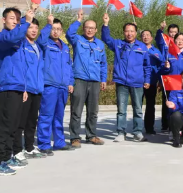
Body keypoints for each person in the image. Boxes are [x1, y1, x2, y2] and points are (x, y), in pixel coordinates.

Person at [0, 6, 35, 176]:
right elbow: (13, 36)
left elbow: (21, 67)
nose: (15, 21)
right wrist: (26, 22)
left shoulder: (18, 41)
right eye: (12, 18)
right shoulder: (1, 38)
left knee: (13, 126)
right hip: (6, 87)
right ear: (4, 20)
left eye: (17, 19)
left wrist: (24, 88)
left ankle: (7, 158)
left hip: (17, 87)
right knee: (3, 126)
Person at [101, 14, 150, 142]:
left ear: (136, 33)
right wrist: (105, 24)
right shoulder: (118, 44)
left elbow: (147, 66)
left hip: (137, 82)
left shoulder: (142, 47)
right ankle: (120, 132)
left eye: (132, 31)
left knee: (138, 109)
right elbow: (106, 38)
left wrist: (147, 80)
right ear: (124, 32)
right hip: (121, 82)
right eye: (127, 31)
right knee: (121, 109)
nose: (129, 34)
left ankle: (137, 132)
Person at [66, 10, 107, 148]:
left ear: (96, 30)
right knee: (76, 111)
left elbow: (103, 64)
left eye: (92, 28)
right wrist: (78, 20)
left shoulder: (100, 44)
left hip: (95, 81)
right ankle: (75, 137)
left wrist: (103, 79)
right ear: (83, 29)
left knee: (93, 111)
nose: (89, 30)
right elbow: (69, 34)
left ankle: (91, 136)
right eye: (87, 27)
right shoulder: (77, 40)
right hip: (79, 79)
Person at [37, 15, 75, 154]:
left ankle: (59, 142)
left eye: (58, 29)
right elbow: (40, 40)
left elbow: (69, 66)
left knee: (59, 116)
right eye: (53, 28)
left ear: (62, 31)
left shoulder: (64, 47)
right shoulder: (45, 44)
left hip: (62, 86)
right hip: (50, 85)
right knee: (46, 115)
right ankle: (44, 144)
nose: (55, 31)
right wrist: (48, 24)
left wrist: (70, 82)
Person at [13, 17, 45, 164]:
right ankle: (17, 150)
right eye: (31, 27)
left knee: (32, 121)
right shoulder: (21, 44)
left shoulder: (37, 46)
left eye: (36, 28)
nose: (34, 30)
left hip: (37, 89)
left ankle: (29, 147)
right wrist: (23, 87)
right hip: (26, 89)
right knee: (21, 121)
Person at [142, 29, 165, 135]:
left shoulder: (156, 51)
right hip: (138, 81)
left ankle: (149, 128)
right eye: (143, 35)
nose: (146, 37)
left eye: (148, 35)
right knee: (137, 106)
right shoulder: (138, 49)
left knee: (150, 105)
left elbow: (161, 65)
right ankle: (137, 128)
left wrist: (160, 80)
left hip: (151, 81)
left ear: (151, 38)